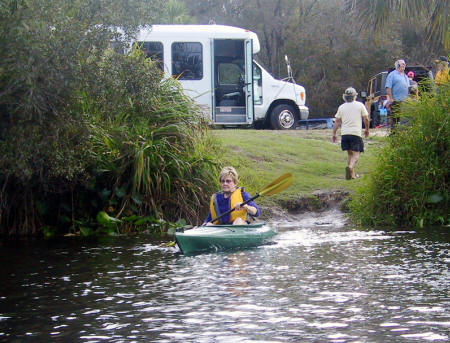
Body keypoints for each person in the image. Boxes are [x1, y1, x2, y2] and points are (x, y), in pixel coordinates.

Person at [332, 87, 369, 180]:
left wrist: (334, 134)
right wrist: (367, 129)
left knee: (350, 154)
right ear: (355, 96)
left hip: (345, 134)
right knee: (356, 154)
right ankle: (350, 167)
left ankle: (352, 175)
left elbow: (337, 121)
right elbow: (366, 118)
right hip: (355, 134)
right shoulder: (360, 105)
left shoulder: (341, 107)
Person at [385, 59, 410, 125]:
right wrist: (391, 98)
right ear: (398, 65)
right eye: (402, 64)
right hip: (396, 100)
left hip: (405, 101)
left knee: (404, 119)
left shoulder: (405, 76)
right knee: (395, 118)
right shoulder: (392, 75)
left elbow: (408, 88)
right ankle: (394, 133)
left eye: (404, 64)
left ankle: (401, 133)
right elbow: (388, 87)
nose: (404, 65)